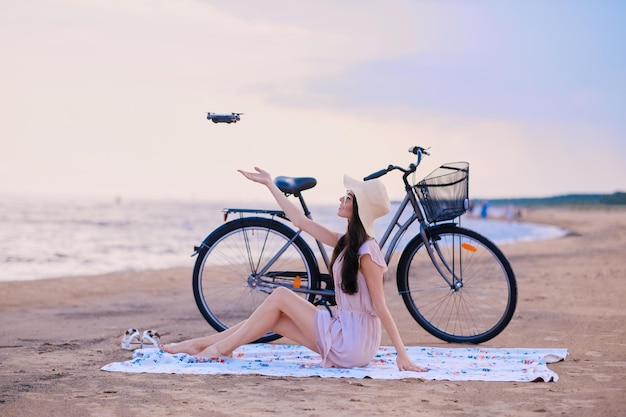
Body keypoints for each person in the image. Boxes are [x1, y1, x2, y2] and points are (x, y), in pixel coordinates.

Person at [161, 167, 427, 372]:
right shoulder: (346, 242)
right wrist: (269, 183)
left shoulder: (368, 252)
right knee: (274, 317)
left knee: (279, 295)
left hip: (355, 343)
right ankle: (203, 344)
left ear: (358, 208)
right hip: (344, 331)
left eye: (347, 196)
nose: (340, 198)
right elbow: (299, 219)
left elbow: (381, 307)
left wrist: (401, 353)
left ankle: (220, 347)